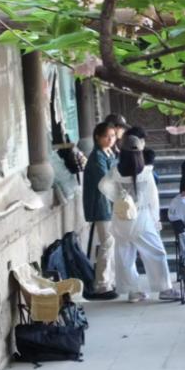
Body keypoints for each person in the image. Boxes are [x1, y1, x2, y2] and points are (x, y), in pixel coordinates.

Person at [99, 130, 180, 304]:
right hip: (141, 219)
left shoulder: (116, 171)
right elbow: (153, 199)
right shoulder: (146, 172)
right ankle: (164, 289)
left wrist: (118, 198)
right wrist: (156, 220)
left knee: (125, 257)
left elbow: (102, 185)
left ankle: (133, 292)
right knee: (156, 253)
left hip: (120, 218)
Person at [83, 122, 118, 300]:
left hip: (109, 203)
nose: (110, 139)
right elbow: (106, 180)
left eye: (113, 136)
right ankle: (102, 285)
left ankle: (109, 281)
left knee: (111, 243)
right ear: (97, 137)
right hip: (101, 204)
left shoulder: (108, 153)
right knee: (107, 243)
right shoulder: (97, 156)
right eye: (106, 136)